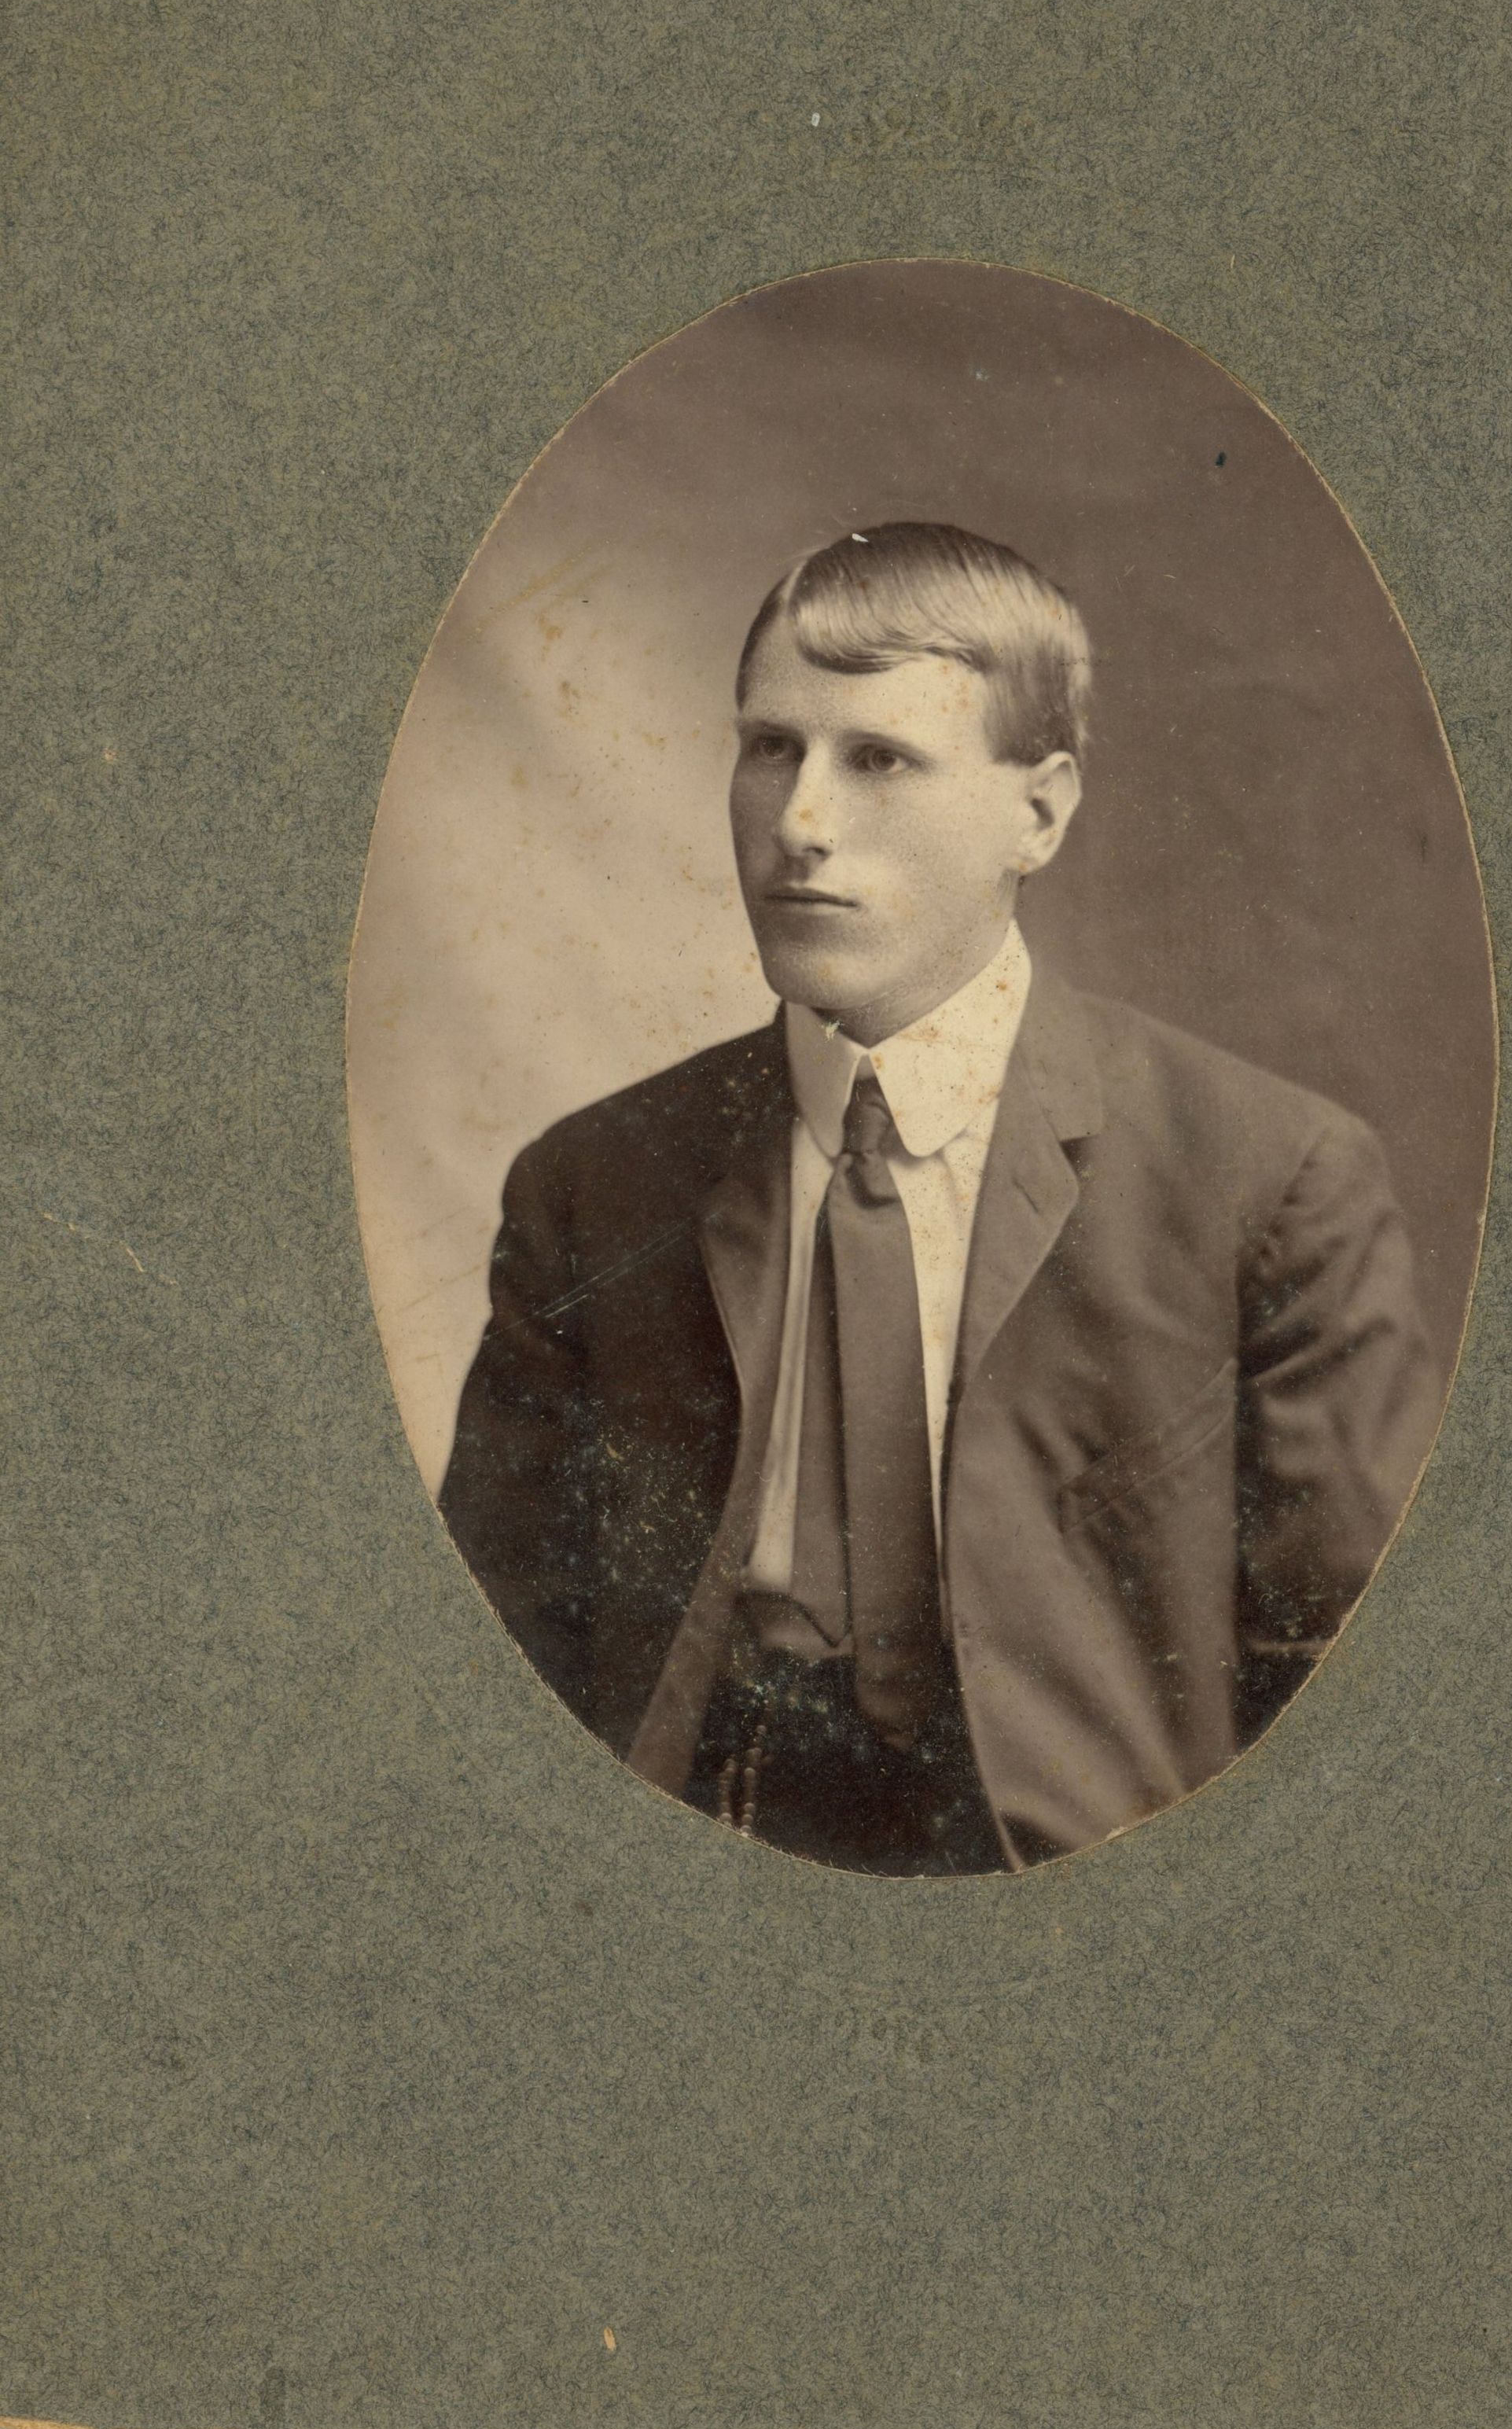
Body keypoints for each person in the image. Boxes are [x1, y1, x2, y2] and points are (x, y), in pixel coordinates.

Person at [439, 521, 1438, 1874]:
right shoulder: (594, 1185)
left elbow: (1356, 1698)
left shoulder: (1268, 1180)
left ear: (1041, 812)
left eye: (880, 759)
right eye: (771, 746)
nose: (799, 822)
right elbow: (489, 1662)